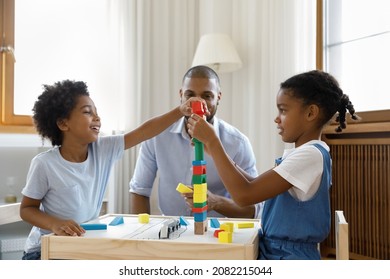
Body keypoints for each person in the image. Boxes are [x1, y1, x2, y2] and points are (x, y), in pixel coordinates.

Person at [19, 79, 207, 260]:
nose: (97, 118)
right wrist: (55, 224)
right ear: (63, 124)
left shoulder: (103, 149)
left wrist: (180, 111)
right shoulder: (44, 164)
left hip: (81, 246)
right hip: (43, 251)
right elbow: (27, 209)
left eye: (97, 112)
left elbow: (144, 132)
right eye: (87, 112)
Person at [187, 70, 359, 260]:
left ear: (311, 112)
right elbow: (254, 183)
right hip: (277, 251)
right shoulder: (306, 153)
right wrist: (216, 151)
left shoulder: (310, 156)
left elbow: (244, 195)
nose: (277, 118)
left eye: (283, 110)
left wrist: (213, 142)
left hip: (288, 257)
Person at [129, 65, 262, 219]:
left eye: (207, 96)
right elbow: (139, 190)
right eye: (190, 95)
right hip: (170, 230)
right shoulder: (157, 136)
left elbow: (254, 209)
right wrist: (141, 236)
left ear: (218, 97)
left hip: (217, 233)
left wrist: (215, 202)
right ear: (181, 95)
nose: (198, 103)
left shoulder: (238, 143)